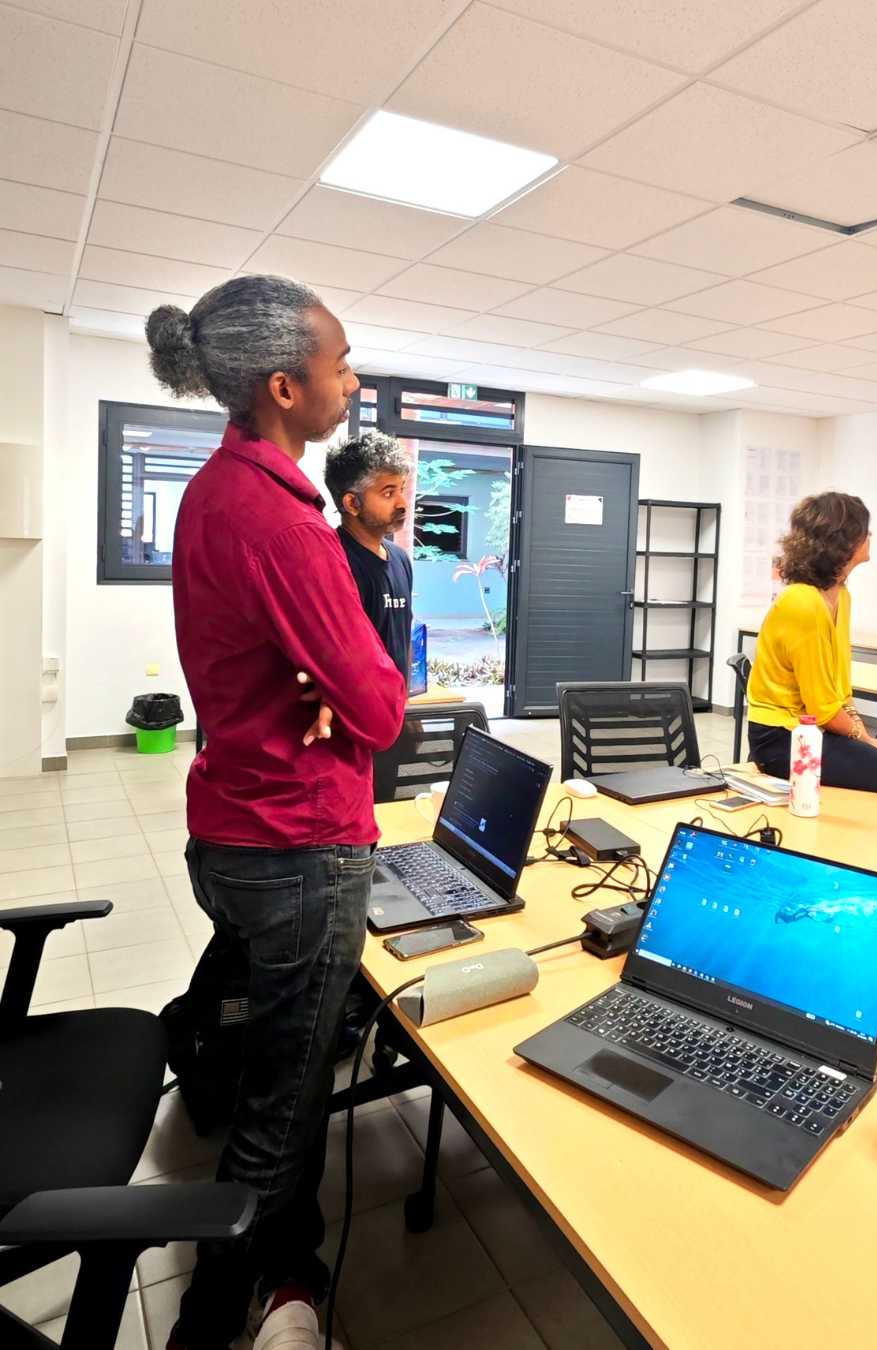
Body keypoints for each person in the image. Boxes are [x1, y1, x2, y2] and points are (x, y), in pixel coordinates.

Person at [146, 274, 407, 1350]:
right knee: (286, 1106)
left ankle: (287, 1271)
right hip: (301, 846)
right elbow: (384, 709)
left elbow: (263, 660)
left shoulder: (213, 490)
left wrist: (314, 684)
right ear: (287, 387)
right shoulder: (287, 519)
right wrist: (335, 688)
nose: (354, 379)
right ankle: (218, 1316)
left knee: (278, 1059)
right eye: (342, 365)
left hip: (230, 827)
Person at [746, 492, 877, 809]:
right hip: (781, 738)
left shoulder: (841, 595)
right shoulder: (803, 603)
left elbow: (839, 688)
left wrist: (864, 737)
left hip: (812, 730)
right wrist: (865, 740)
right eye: (864, 530)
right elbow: (823, 706)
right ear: (844, 540)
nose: (869, 536)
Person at [324, 432, 414, 682]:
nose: (402, 503)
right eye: (388, 493)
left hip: (394, 710)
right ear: (352, 503)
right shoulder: (332, 560)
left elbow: (403, 636)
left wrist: (404, 704)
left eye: (402, 489)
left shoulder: (400, 559)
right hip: (357, 711)